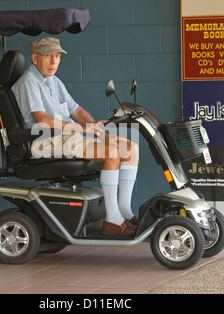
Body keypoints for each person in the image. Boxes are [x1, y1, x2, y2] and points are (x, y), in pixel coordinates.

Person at [12, 37, 139, 236]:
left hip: (65, 137)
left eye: (57, 56)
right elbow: (42, 119)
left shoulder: (53, 81)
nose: (54, 61)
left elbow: (76, 110)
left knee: (131, 148)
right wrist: (81, 130)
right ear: (35, 58)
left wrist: (96, 130)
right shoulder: (29, 82)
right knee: (112, 152)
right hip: (45, 140)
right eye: (48, 56)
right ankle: (112, 219)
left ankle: (123, 210)